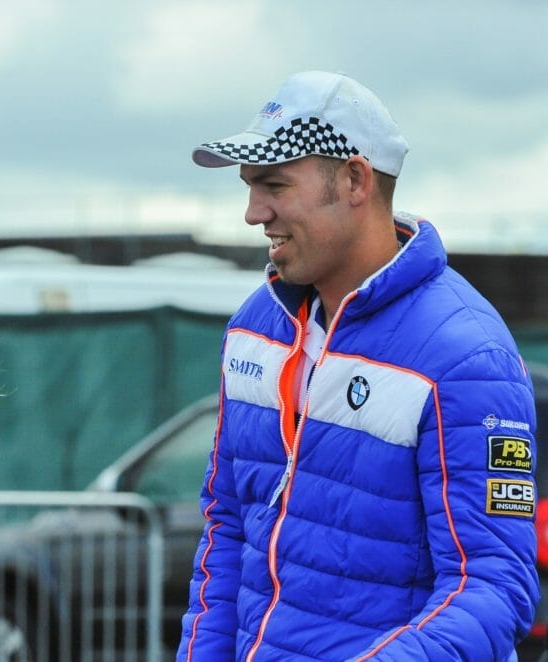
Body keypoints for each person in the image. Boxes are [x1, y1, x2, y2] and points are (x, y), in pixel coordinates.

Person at [176, 71, 539, 661]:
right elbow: (227, 529)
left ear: (354, 180)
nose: (253, 212)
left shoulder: (467, 354)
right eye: (248, 186)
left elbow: (494, 587)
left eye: (273, 184)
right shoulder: (254, 325)